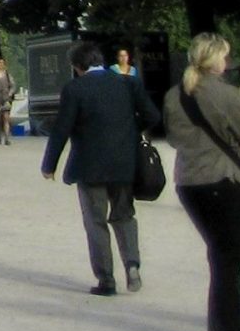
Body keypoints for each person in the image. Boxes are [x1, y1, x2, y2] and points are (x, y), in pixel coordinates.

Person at [165, 31, 240, 331]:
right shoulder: (226, 95)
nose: (227, 62)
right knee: (229, 257)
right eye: (224, 56)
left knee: (221, 253)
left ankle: (233, 319)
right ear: (215, 61)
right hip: (222, 180)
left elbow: (173, 138)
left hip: (188, 182)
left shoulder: (175, 95)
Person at [39, 38, 159, 296]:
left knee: (96, 222)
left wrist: (49, 165)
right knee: (124, 215)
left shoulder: (75, 89)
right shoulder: (128, 84)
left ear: (77, 66)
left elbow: (62, 129)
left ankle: (106, 279)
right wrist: (128, 132)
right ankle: (132, 265)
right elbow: (152, 116)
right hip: (124, 163)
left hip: (89, 165)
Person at [0, 58, 18, 146]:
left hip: (6, 99)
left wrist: (10, 93)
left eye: (3, 63)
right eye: (0, 63)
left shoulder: (8, 74)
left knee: (6, 118)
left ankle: (7, 138)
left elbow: (13, 85)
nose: (1, 64)